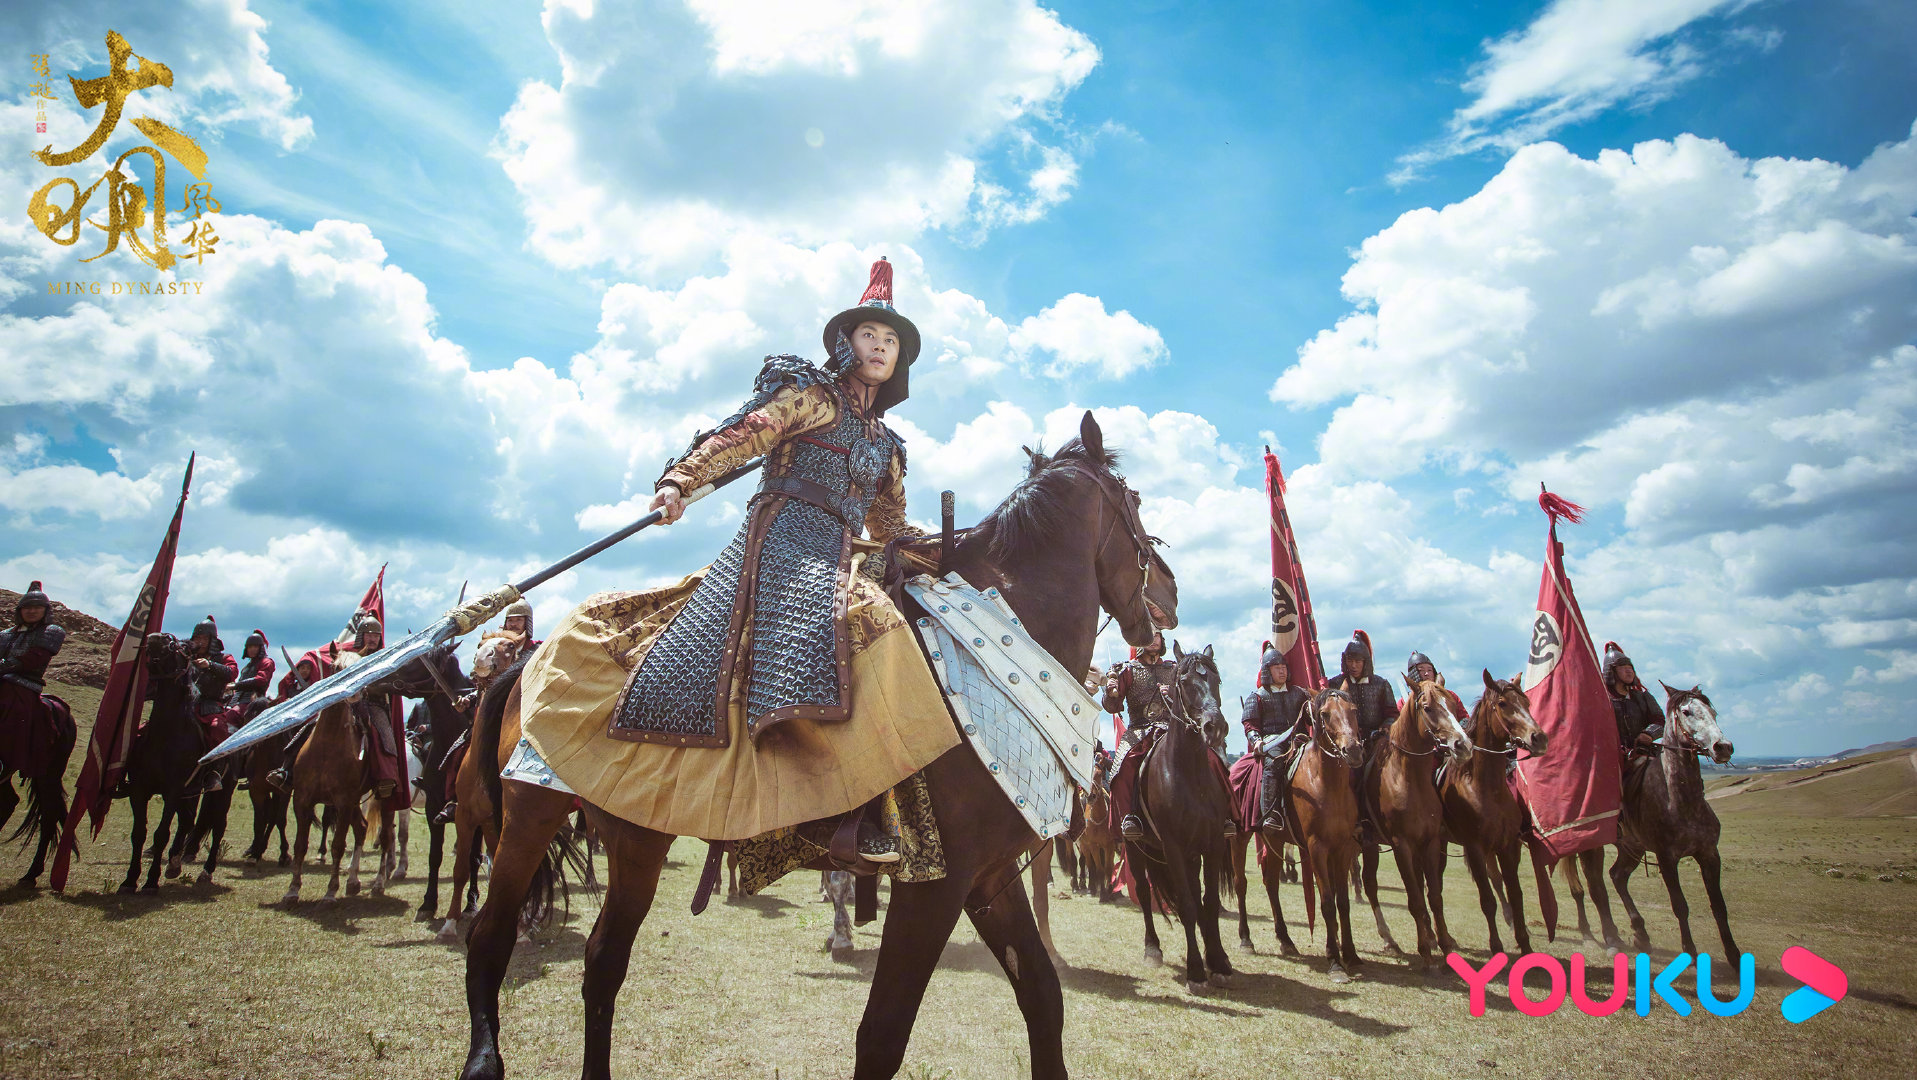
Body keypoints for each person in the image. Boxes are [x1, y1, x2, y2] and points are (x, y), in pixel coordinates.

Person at [516, 257, 956, 867]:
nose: (880, 348)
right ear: (844, 343)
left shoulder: (888, 447)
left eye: (891, 342)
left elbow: (890, 527)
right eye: (869, 336)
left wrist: (942, 551)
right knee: (862, 613)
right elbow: (744, 434)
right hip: (781, 538)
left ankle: (856, 800)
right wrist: (682, 481)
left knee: (897, 610)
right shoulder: (809, 399)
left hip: (839, 551)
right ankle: (837, 811)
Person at [1100, 631, 1181, 842]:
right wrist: (1110, 693)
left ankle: (1218, 812)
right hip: (1140, 729)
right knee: (1122, 767)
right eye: (1151, 636)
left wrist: (1171, 694)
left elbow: (1188, 700)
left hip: (1171, 728)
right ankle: (1129, 816)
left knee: (1207, 757)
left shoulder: (1173, 669)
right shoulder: (1127, 670)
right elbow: (1112, 707)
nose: (1155, 640)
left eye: (1158, 637)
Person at [0, 582, 67, 779]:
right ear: (20, 611)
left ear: (45, 611)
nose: (31, 611)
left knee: (11, 710)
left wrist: (5, 665)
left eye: (37, 607)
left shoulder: (52, 631)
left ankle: (5, 761)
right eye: (27, 607)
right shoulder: (4, 635)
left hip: (23, 684)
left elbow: (35, 658)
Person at [1241, 643, 1309, 834]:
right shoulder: (1257, 696)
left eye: (1284, 667)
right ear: (1267, 671)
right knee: (1274, 762)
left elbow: (1310, 718)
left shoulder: (1300, 694)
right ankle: (1272, 813)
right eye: (1277, 668)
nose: (1282, 671)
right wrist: (1257, 741)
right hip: (1273, 741)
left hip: (1300, 740)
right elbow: (1250, 724)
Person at [183, 615, 238, 793]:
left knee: (217, 729)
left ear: (212, 640)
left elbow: (231, 674)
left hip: (210, 706)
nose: (200, 641)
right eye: (197, 638)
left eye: (204, 638)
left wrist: (210, 665)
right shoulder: (187, 657)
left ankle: (213, 772)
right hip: (186, 705)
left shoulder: (224, 658)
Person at [1326, 631, 1395, 743]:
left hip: (1377, 740)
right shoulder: (1335, 684)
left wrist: (1386, 726)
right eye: (1350, 661)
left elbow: (1392, 714)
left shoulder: (1381, 684)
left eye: (1358, 661)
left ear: (1365, 662)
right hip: (1346, 740)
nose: (1353, 665)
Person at [1603, 641, 1663, 756]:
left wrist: (1649, 734)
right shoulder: (1601, 698)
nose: (1629, 671)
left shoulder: (1644, 697)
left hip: (1642, 752)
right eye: (1623, 667)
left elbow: (1659, 721)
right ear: (1611, 671)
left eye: (1630, 667)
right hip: (1610, 755)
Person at [1402, 649, 1466, 720]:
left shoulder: (1450, 695)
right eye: (1421, 670)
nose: (1427, 674)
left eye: (1429, 670)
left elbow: (1464, 718)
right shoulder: (1404, 701)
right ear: (1413, 674)